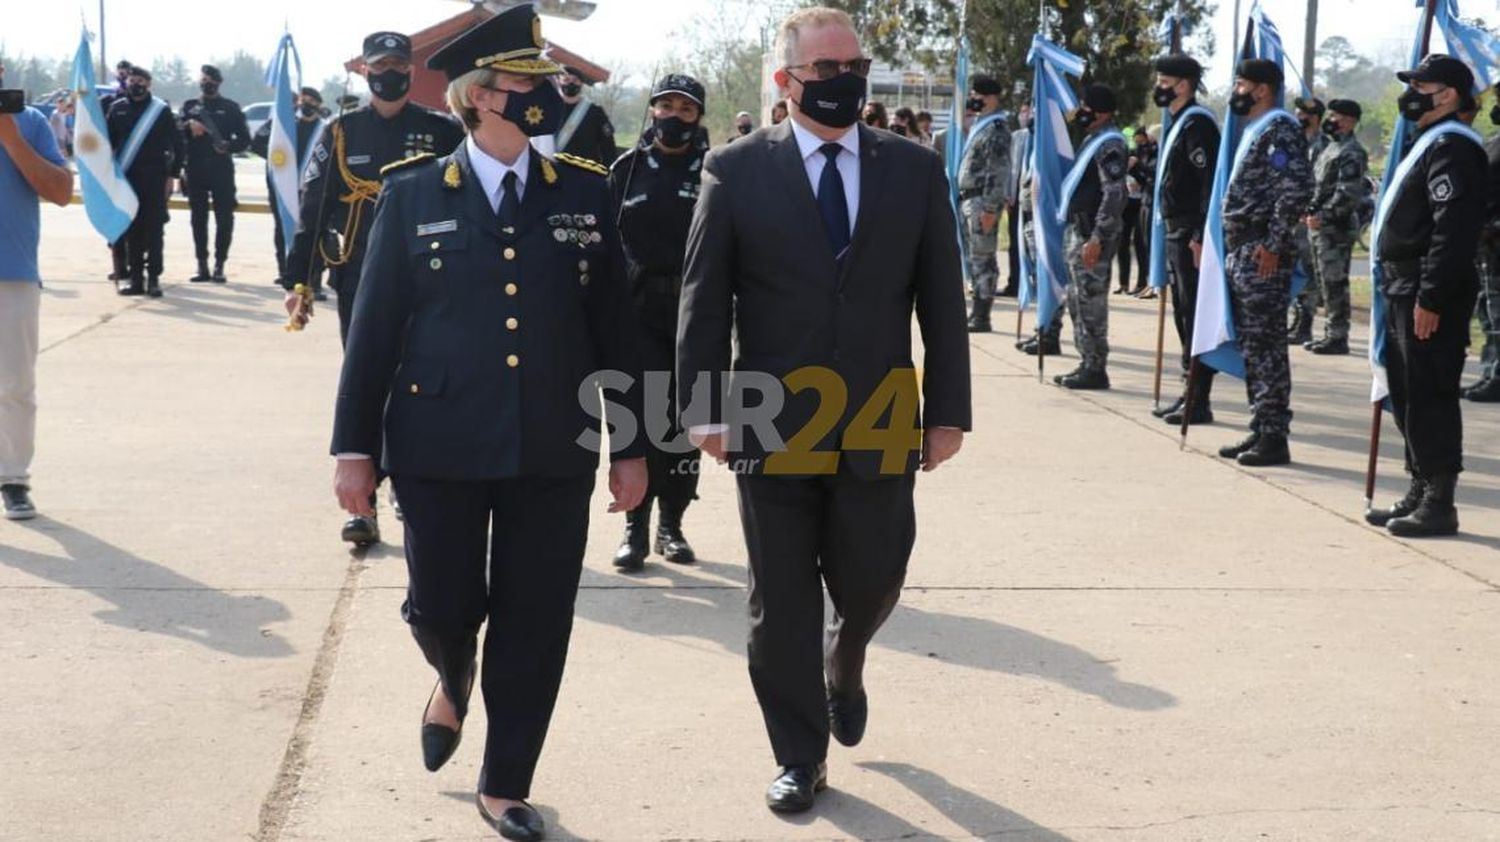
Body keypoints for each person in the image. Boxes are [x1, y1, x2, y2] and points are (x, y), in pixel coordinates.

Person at [329, 7, 647, 839]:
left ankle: (506, 779)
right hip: (438, 443)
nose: (544, 95)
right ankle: (451, 669)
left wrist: (633, 446)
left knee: (537, 619)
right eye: (526, 84)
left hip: (554, 444)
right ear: (478, 97)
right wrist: (354, 449)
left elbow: (614, 329)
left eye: (545, 84)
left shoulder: (584, 190)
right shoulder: (411, 197)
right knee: (441, 605)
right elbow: (373, 334)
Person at [677, 6, 971, 814]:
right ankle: (799, 755)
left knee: (875, 575)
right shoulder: (735, 171)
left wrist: (947, 411)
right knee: (781, 599)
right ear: (786, 81)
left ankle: (845, 659)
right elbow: (704, 300)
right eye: (825, 69)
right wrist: (703, 405)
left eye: (854, 66)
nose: (844, 81)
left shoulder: (913, 170)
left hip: (881, 412)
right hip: (769, 414)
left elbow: (941, 301)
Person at [283, 31, 465, 548]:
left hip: (430, 281)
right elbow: (314, 210)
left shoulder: (441, 131)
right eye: (379, 65)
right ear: (365, 71)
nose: (389, 73)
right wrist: (301, 279)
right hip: (360, 277)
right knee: (367, 385)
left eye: (397, 65)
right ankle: (363, 507)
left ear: (411, 72)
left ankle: (408, 488)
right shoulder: (340, 132)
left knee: (422, 387)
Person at [1363, 55, 1485, 537]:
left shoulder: (1454, 147)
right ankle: (1418, 486)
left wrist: (1431, 297)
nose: (1412, 93)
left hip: (1425, 290)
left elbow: (1451, 231)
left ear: (1449, 93)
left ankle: (1439, 501)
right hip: (1401, 285)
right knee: (1408, 390)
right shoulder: (1428, 141)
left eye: (1422, 85)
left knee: (1431, 393)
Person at [607, 73, 709, 572]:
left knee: (687, 426)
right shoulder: (625, 169)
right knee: (638, 424)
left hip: (697, 318)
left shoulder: (716, 172)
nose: (673, 117)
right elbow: (603, 246)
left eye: (685, 110)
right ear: (651, 111)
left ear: (699, 118)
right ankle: (635, 527)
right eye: (665, 107)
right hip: (637, 316)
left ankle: (673, 524)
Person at [1214, 59, 1312, 467]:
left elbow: (1296, 190)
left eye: (1241, 84)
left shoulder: (1280, 129)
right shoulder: (1255, 128)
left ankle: (1274, 436)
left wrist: (1273, 244)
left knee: (1267, 346)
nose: (1235, 91)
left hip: (1261, 253)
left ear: (1262, 89)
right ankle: (1260, 426)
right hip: (1243, 248)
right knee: (1254, 346)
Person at [0, 75, 74, 520]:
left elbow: (62, 192)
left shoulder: (30, 123)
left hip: (14, 273)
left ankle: (12, 478)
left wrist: (12, 141)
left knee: (14, 384)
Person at [1151, 53, 1221, 426]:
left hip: (1190, 233)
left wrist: (1199, 235)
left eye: (1165, 81)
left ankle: (1199, 399)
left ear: (1184, 84)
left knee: (1195, 315)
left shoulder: (1198, 125)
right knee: (1183, 313)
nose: (1158, 87)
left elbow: (1210, 184)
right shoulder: (1178, 121)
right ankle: (1188, 391)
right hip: (1174, 230)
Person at [1053, 84, 1127, 391]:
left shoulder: (1110, 145)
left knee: (1091, 302)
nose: (1081, 111)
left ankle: (1096, 367)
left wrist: (1098, 236)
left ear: (1102, 113)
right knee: (1078, 300)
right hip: (1078, 231)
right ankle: (1086, 362)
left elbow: (1114, 194)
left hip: (1092, 235)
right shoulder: (1092, 139)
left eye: (1086, 106)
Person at [106, 66, 184, 298]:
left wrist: (173, 175)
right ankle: (136, 280)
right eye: (132, 80)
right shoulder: (116, 109)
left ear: (148, 84)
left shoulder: (160, 110)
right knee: (133, 231)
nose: (135, 84)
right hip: (127, 179)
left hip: (154, 178)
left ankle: (154, 279)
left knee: (154, 230)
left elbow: (177, 144)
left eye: (140, 80)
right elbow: (106, 145)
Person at [1302, 98, 1369, 355]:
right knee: (1322, 282)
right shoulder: (1330, 148)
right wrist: (1308, 211)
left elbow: (1347, 194)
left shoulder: (1352, 151)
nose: (1331, 121)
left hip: (1336, 229)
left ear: (1350, 121)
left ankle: (1338, 336)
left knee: (1334, 282)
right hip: (1318, 226)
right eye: (1330, 115)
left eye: (1336, 116)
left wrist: (1324, 216)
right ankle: (1330, 333)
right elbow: (1319, 186)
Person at [251, 86, 328, 293]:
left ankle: (315, 279)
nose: (307, 105)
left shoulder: (325, 129)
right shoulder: (285, 125)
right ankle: (286, 272)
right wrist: (275, 160)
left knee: (313, 232)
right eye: (304, 101)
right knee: (282, 229)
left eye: (312, 102)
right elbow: (257, 142)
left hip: (312, 190)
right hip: (284, 187)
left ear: (319, 106)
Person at [178, 64, 250, 283]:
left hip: (221, 169)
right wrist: (188, 125)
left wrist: (228, 146)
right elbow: (176, 131)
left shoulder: (230, 107)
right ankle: (202, 265)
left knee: (224, 218)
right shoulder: (190, 107)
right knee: (198, 218)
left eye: (211, 81)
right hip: (195, 168)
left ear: (218, 83)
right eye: (203, 80)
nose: (206, 84)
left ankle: (220, 264)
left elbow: (245, 140)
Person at [955, 73, 1011, 332]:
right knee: (974, 256)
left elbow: (998, 172)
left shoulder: (997, 129)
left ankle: (982, 315)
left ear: (989, 97)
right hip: (969, 199)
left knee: (983, 257)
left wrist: (990, 208)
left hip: (981, 201)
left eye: (977, 95)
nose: (973, 99)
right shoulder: (981, 124)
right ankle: (976, 310)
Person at [1463, 84, 1500, 403]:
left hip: (1496, 240)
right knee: (1488, 311)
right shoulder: (1492, 143)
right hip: (1485, 245)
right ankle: (1489, 371)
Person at [1286, 96, 1329, 345]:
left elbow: (1321, 184)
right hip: (1291, 217)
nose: (1301, 117)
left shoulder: (1323, 146)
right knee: (1293, 271)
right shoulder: (1293, 142)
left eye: (1306, 113)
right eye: (1298, 112)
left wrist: (1312, 210)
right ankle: (1297, 320)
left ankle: (1305, 325)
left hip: (1308, 218)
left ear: (1317, 117)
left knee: (1307, 273)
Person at [554, 65, 617, 168]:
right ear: (558, 82)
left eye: (575, 80)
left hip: (584, 173)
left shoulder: (595, 112)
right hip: (551, 173)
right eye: (566, 79)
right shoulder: (548, 108)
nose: (571, 83)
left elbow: (608, 148)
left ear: (582, 83)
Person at [1119, 126, 1155, 295]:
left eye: (1142, 140)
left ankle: (1146, 281)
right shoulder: (1135, 152)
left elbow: (1152, 175)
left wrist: (1139, 167)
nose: (1140, 143)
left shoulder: (1154, 153)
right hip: (1129, 204)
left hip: (1145, 203)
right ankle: (1126, 283)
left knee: (1142, 243)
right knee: (1124, 243)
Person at [1003, 101, 1032, 299]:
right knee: (1015, 245)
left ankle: (1035, 283)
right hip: (1016, 201)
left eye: (1027, 111)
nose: (1024, 115)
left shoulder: (1045, 137)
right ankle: (1015, 283)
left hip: (1035, 203)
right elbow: (1010, 168)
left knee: (1033, 245)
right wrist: (1007, 195)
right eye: (1022, 111)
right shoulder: (1016, 137)